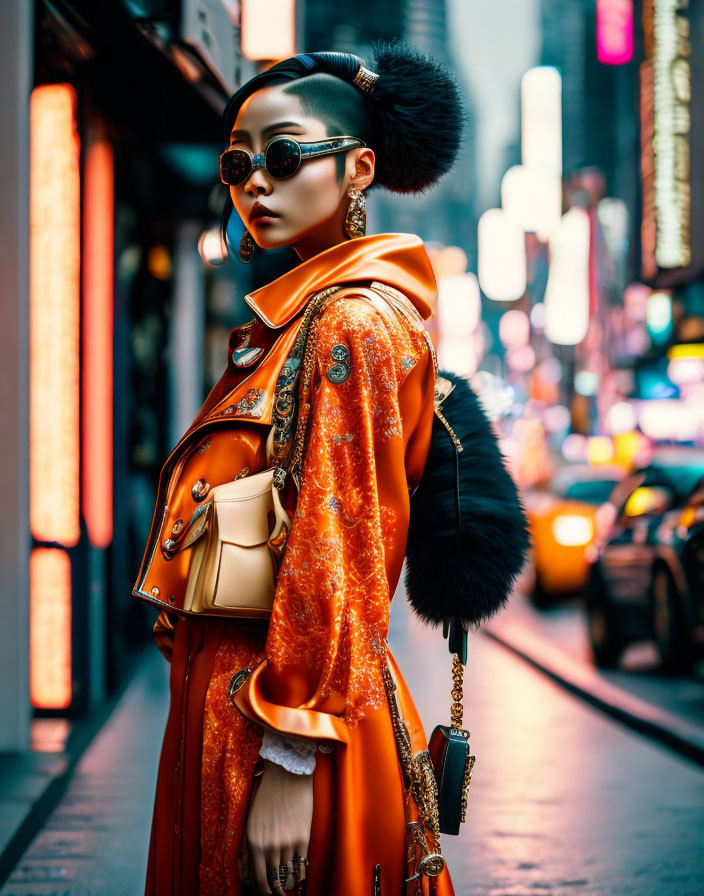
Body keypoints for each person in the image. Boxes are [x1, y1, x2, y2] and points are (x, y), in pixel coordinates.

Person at [133, 40, 464, 896]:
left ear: (358, 170)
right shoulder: (291, 325)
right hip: (235, 703)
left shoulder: (350, 325)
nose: (255, 183)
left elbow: (340, 547)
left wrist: (287, 761)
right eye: (238, 162)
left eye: (284, 155)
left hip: (281, 724)